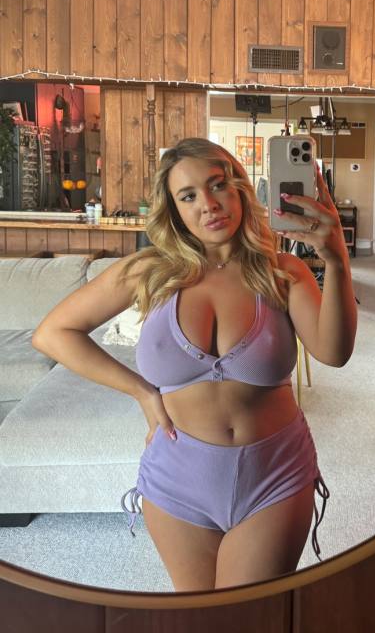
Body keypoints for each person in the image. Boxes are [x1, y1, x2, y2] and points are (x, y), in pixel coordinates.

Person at [32, 137, 357, 592]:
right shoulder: (150, 271)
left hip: (274, 475)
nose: (208, 204)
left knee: (247, 618)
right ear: (175, 210)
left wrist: (336, 260)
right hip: (177, 479)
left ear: (240, 188)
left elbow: (334, 353)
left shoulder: (283, 272)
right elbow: (53, 333)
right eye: (188, 196)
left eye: (218, 184)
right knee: (199, 622)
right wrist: (143, 393)